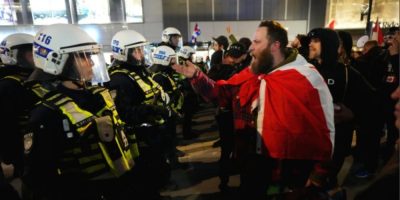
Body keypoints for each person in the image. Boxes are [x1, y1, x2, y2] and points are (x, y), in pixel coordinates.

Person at [173, 20, 334, 200]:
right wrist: (197, 76)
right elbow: (222, 92)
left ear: (275, 45)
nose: (250, 48)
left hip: (288, 173)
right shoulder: (253, 73)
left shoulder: (306, 78)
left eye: (257, 42)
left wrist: (319, 174)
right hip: (251, 165)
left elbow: (324, 131)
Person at [23, 24, 139, 200]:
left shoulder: (100, 96)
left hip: (121, 185)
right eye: (84, 57)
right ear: (58, 60)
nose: (92, 62)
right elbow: (39, 177)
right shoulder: (46, 114)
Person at [107, 29, 172, 196]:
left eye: (142, 49)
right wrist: (150, 109)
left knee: (159, 174)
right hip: (139, 140)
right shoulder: (119, 79)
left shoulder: (140, 72)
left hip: (153, 134)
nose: (141, 54)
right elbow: (123, 113)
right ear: (123, 53)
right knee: (145, 180)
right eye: (136, 51)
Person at [0, 33, 35, 200]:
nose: (35, 57)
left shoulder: (31, 79)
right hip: (23, 151)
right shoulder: (8, 86)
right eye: (30, 54)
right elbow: (7, 126)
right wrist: (14, 158)